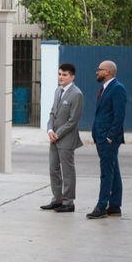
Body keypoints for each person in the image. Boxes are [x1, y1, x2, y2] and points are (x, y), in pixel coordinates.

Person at [40, 63, 84, 213]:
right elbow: (52, 113)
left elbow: (73, 120)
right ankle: (57, 200)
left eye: (64, 74)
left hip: (66, 139)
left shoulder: (77, 94)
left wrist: (58, 134)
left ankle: (69, 202)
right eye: (59, 74)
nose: (61, 77)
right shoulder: (58, 91)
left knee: (67, 171)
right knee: (53, 169)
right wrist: (50, 129)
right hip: (54, 137)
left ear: (72, 76)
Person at [87, 60, 127, 219]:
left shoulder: (117, 89)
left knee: (106, 173)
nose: (97, 72)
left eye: (100, 70)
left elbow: (119, 116)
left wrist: (110, 136)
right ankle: (115, 206)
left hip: (108, 139)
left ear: (108, 72)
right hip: (101, 136)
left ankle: (101, 206)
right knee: (113, 171)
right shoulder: (105, 88)